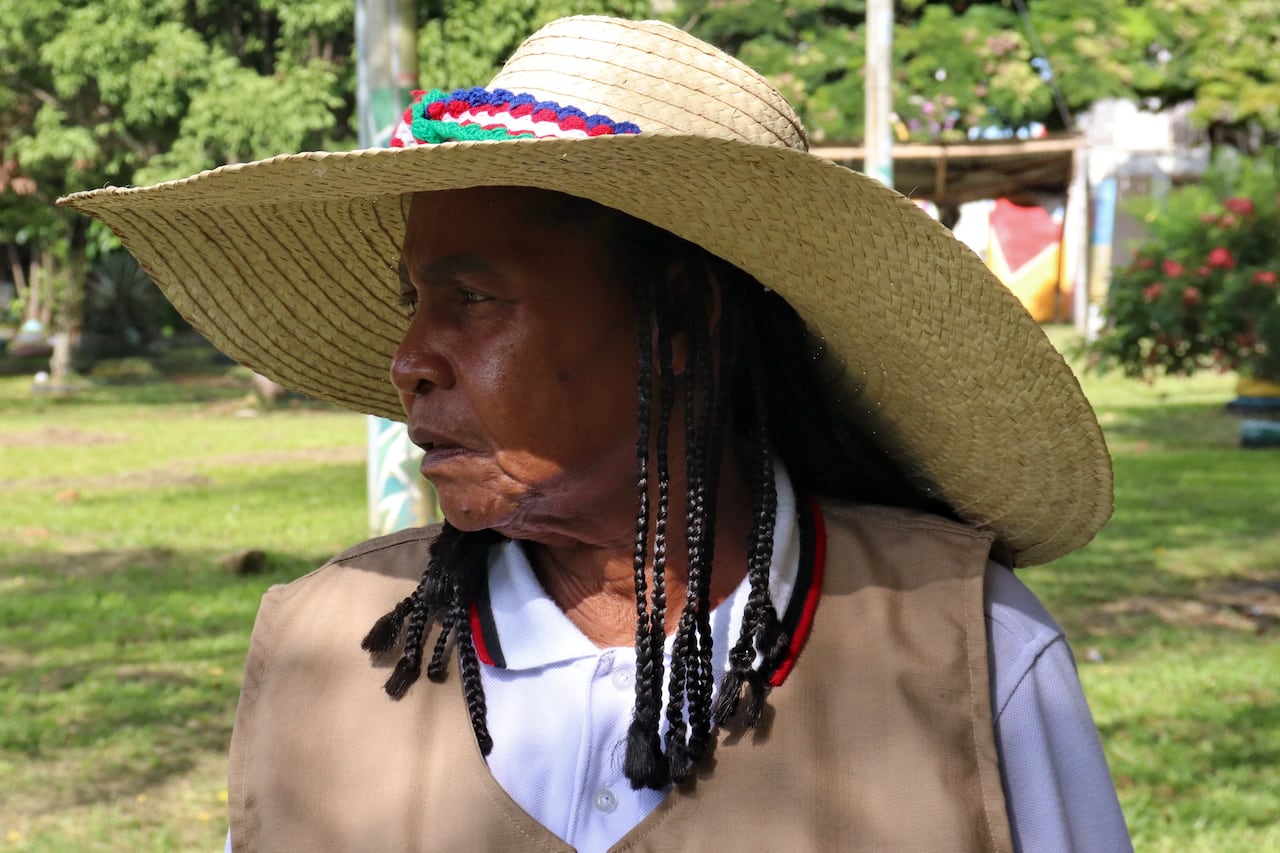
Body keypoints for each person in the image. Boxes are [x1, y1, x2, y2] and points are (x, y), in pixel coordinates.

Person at [60, 15, 1131, 852]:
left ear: (680, 320)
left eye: (472, 298)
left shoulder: (961, 651)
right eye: (412, 300)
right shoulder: (330, 648)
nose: (408, 360)